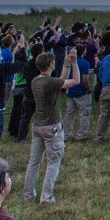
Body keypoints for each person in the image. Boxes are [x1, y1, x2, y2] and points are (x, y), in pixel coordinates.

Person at [23, 49, 70, 206]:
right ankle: (47, 197)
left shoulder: (36, 80)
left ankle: (28, 195)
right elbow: (67, 81)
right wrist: (70, 65)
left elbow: (60, 81)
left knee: (34, 161)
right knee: (53, 162)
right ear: (50, 64)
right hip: (51, 127)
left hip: (37, 125)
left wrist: (66, 66)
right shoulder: (49, 82)